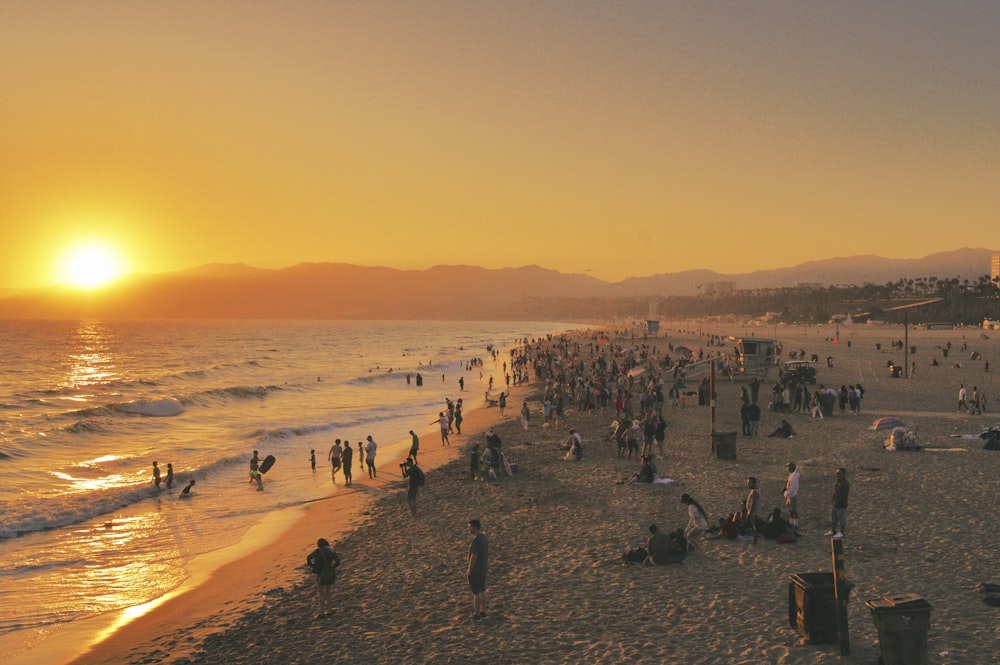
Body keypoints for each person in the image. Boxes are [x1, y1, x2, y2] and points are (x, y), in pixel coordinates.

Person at [306, 538, 341, 618]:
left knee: (321, 594)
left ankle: (322, 613)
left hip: (320, 573)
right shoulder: (331, 551)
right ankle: (329, 611)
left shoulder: (318, 551)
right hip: (328, 573)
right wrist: (332, 567)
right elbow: (338, 561)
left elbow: (308, 558)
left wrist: (313, 566)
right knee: (328, 593)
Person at [467, 519, 489, 622]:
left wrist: (469, 569)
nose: (469, 529)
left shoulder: (476, 541)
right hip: (483, 568)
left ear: (475, 527)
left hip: (476, 570)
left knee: (476, 592)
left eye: (470, 527)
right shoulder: (484, 538)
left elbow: (474, 556)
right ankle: (483, 612)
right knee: (483, 590)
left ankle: (477, 615)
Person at [825, 467, 849, 539]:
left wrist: (838, 502)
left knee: (842, 519)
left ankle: (841, 532)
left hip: (841, 505)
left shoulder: (845, 484)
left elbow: (844, 495)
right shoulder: (839, 482)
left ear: (843, 474)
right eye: (837, 473)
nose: (837, 475)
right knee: (834, 519)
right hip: (835, 504)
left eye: (839, 473)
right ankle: (833, 530)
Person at [783, 462, 800, 528]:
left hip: (792, 496)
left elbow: (793, 488)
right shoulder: (792, 475)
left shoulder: (794, 477)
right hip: (790, 496)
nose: (787, 468)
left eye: (788, 467)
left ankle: (795, 524)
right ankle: (791, 523)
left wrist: (786, 493)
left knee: (793, 511)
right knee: (791, 510)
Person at [745, 477, 762, 542]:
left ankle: (755, 541)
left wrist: (749, 512)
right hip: (754, 513)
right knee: (753, 527)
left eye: (749, 483)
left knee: (754, 527)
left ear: (753, 483)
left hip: (754, 513)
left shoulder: (755, 492)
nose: (748, 485)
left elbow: (753, 503)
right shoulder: (755, 491)